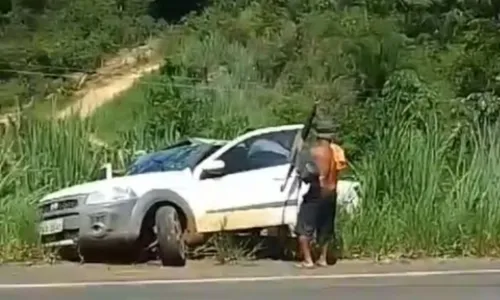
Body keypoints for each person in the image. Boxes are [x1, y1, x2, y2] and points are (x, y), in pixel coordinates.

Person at [294, 120, 347, 268]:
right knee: (325, 227)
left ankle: (308, 260)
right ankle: (323, 258)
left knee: (304, 227)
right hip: (331, 192)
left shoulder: (315, 152)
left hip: (317, 191)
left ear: (318, 136)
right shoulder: (335, 151)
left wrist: (300, 153)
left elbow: (305, 173)